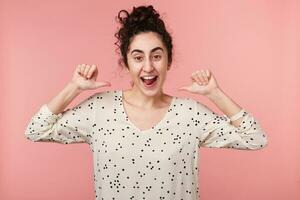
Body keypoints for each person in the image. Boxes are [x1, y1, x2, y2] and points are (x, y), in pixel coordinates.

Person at [25, 5, 268, 200]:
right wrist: (73, 88)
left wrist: (215, 94)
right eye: (138, 57)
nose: (148, 67)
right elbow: (36, 130)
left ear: (168, 61)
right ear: (127, 63)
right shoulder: (99, 109)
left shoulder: (189, 114)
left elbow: (255, 138)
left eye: (157, 56)